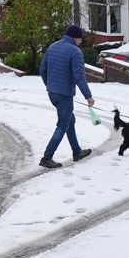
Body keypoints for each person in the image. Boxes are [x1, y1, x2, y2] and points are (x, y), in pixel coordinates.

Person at [38, 24, 94, 168]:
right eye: (80, 40)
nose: (80, 42)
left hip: (53, 93)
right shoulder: (75, 52)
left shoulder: (52, 47)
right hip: (64, 95)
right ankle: (47, 157)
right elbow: (79, 77)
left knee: (70, 120)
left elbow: (42, 69)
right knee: (62, 125)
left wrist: (49, 85)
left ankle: (77, 151)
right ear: (76, 38)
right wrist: (88, 95)